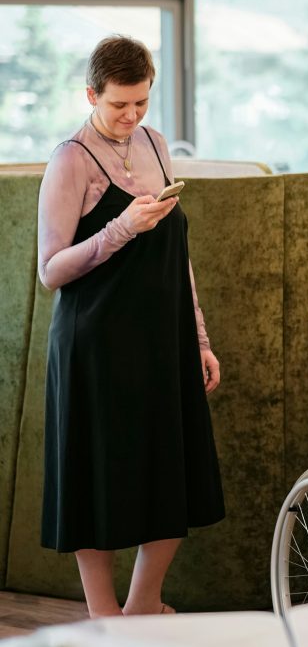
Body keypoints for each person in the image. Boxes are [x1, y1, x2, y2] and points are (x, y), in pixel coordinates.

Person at [38, 35, 225, 618]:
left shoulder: (155, 142)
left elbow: (178, 252)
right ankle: (102, 615)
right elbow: (51, 271)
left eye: (141, 102)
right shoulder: (70, 158)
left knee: (171, 471)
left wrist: (197, 336)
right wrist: (120, 228)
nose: (131, 115)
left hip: (162, 339)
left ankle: (143, 605)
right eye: (119, 104)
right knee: (96, 477)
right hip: (95, 343)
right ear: (91, 93)